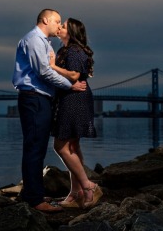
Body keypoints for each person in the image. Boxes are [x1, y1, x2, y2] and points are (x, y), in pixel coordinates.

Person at [12, 9, 87, 213]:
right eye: (57, 21)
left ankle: (32, 193)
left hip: (40, 99)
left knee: (37, 148)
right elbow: (43, 72)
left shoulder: (45, 43)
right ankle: (35, 200)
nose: (59, 25)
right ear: (46, 20)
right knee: (35, 148)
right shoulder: (35, 40)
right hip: (34, 98)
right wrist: (69, 86)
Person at [49, 18, 102, 209]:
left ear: (70, 32)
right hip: (71, 97)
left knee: (61, 145)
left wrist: (52, 66)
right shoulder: (65, 50)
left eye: (63, 26)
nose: (60, 27)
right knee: (72, 144)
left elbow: (74, 75)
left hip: (74, 99)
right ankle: (75, 192)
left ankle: (88, 186)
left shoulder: (74, 51)